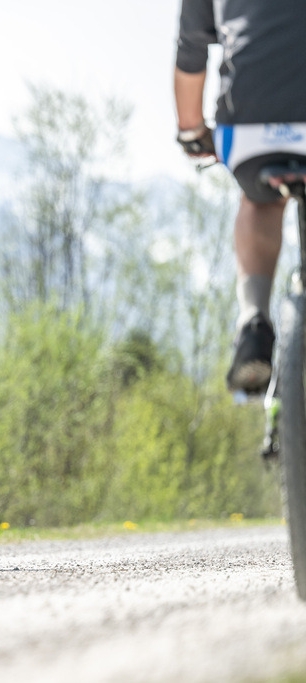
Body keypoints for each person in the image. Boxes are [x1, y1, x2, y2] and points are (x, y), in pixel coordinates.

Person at [174, 0, 306, 397]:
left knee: (260, 200)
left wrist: (191, 131)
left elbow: (191, 49)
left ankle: (253, 320)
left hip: (249, 126)